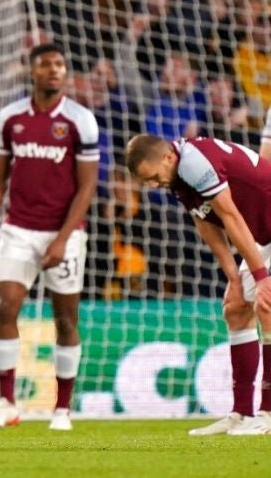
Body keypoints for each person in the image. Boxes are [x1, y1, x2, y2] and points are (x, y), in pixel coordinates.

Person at [0, 43, 99, 432]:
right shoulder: (11, 117)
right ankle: (6, 402)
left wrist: (62, 239)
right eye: (46, 64)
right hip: (18, 228)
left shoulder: (81, 121)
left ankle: (62, 408)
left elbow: (86, 189)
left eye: (60, 64)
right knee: (7, 304)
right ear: (31, 71)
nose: (54, 70)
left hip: (65, 233)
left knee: (65, 318)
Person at [127, 134, 271, 435]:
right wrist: (233, 277)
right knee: (234, 308)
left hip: (263, 231)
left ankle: (268, 413)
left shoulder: (194, 162)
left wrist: (261, 278)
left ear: (167, 157)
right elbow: (206, 224)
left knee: (267, 304)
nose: (153, 185)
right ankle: (242, 413)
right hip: (264, 237)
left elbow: (230, 216)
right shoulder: (178, 175)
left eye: (153, 177)